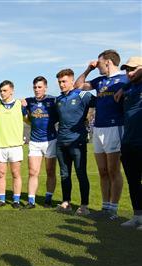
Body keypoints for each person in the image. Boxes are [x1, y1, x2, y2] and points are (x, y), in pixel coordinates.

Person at [75, 50, 128, 219]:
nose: (97, 66)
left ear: (108, 62)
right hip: (98, 128)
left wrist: (125, 88)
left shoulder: (125, 79)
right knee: (102, 171)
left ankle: (113, 208)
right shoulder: (99, 80)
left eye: (99, 63)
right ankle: (105, 208)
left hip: (115, 127)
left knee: (114, 170)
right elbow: (78, 86)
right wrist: (88, 70)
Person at [55, 69, 95, 215]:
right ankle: (66, 202)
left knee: (81, 173)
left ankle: (84, 205)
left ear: (72, 81)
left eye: (64, 81)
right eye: (59, 82)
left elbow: (100, 103)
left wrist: (88, 118)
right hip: (61, 143)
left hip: (77, 142)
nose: (61, 84)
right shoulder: (58, 99)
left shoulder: (83, 95)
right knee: (64, 174)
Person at [0, 80, 27, 209]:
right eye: (1, 91)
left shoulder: (20, 105)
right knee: (1, 174)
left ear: (12, 91)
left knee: (16, 174)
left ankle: (16, 200)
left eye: (5, 90)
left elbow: (31, 117)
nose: (3, 93)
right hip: (0, 145)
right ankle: (2, 199)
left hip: (15, 146)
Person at [23, 76, 58, 209]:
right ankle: (31, 201)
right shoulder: (29, 101)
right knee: (33, 172)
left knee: (50, 171)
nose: (37, 90)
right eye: (35, 87)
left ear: (45, 87)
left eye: (39, 87)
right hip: (34, 142)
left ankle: (48, 199)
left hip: (50, 141)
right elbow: (18, 105)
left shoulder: (52, 101)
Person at [115, 57, 142, 230]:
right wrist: (124, 87)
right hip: (128, 142)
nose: (129, 72)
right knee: (133, 181)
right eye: (127, 70)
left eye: (133, 69)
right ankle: (137, 216)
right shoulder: (128, 88)